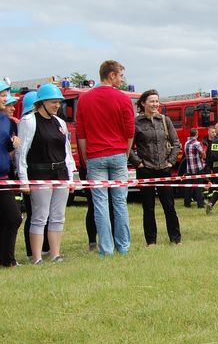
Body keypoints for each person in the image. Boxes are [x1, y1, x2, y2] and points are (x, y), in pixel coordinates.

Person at [75, 60, 135, 256]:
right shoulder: (124, 99)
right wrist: (125, 153)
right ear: (111, 75)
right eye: (120, 75)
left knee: (100, 204)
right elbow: (129, 131)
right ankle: (123, 246)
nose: (122, 79)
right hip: (118, 154)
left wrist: (86, 156)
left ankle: (106, 249)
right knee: (119, 202)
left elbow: (81, 133)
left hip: (94, 155)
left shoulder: (84, 99)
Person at [16, 84, 76, 264]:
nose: (57, 105)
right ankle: (36, 257)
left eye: (58, 102)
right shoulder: (29, 121)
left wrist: (71, 177)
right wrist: (24, 179)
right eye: (53, 102)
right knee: (39, 216)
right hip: (39, 173)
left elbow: (66, 152)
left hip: (61, 174)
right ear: (41, 103)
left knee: (58, 216)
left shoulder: (60, 123)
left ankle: (55, 254)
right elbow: (22, 152)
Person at [129, 89, 182, 246]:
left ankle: (176, 239)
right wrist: (138, 163)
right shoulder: (136, 123)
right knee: (148, 207)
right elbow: (128, 147)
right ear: (143, 103)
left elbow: (176, 143)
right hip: (145, 170)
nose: (155, 104)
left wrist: (171, 161)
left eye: (157, 101)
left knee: (169, 206)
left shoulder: (165, 120)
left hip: (164, 169)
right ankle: (151, 241)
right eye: (151, 101)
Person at [0, 85, 23, 267]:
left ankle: (7, 260)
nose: (4, 98)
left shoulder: (6, 121)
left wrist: (12, 143)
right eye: (2, 95)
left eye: (5, 95)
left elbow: (5, 147)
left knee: (13, 218)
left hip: (3, 177)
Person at [204, 123, 218, 214]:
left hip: (215, 167)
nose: (214, 131)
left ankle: (212, 203)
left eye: (216, 128)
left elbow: (209, 156)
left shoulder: (214, 141)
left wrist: (209, 168)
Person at [183, 128, 206, 208]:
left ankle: (187, 203)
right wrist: (203, 157)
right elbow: (203, 154)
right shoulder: (197, 143)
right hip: (197, 167)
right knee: (198, 186)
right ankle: (200, 204)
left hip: (189, 168)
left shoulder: (186, 143)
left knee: (188, 186)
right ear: (196, 134)